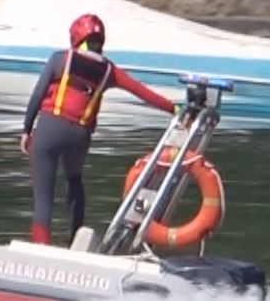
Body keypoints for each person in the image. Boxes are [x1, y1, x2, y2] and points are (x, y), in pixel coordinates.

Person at [21, 13, 175, 244]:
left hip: (50, 128)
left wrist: (26, 129)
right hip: (79, 135)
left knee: (43, 197)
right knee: (74, 181)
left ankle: (41, 244)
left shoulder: (60, 59)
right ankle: (77, 240)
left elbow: (37, 96)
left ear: (76, 37)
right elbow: (143, 93)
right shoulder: (110, 71)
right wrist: (175, 108)